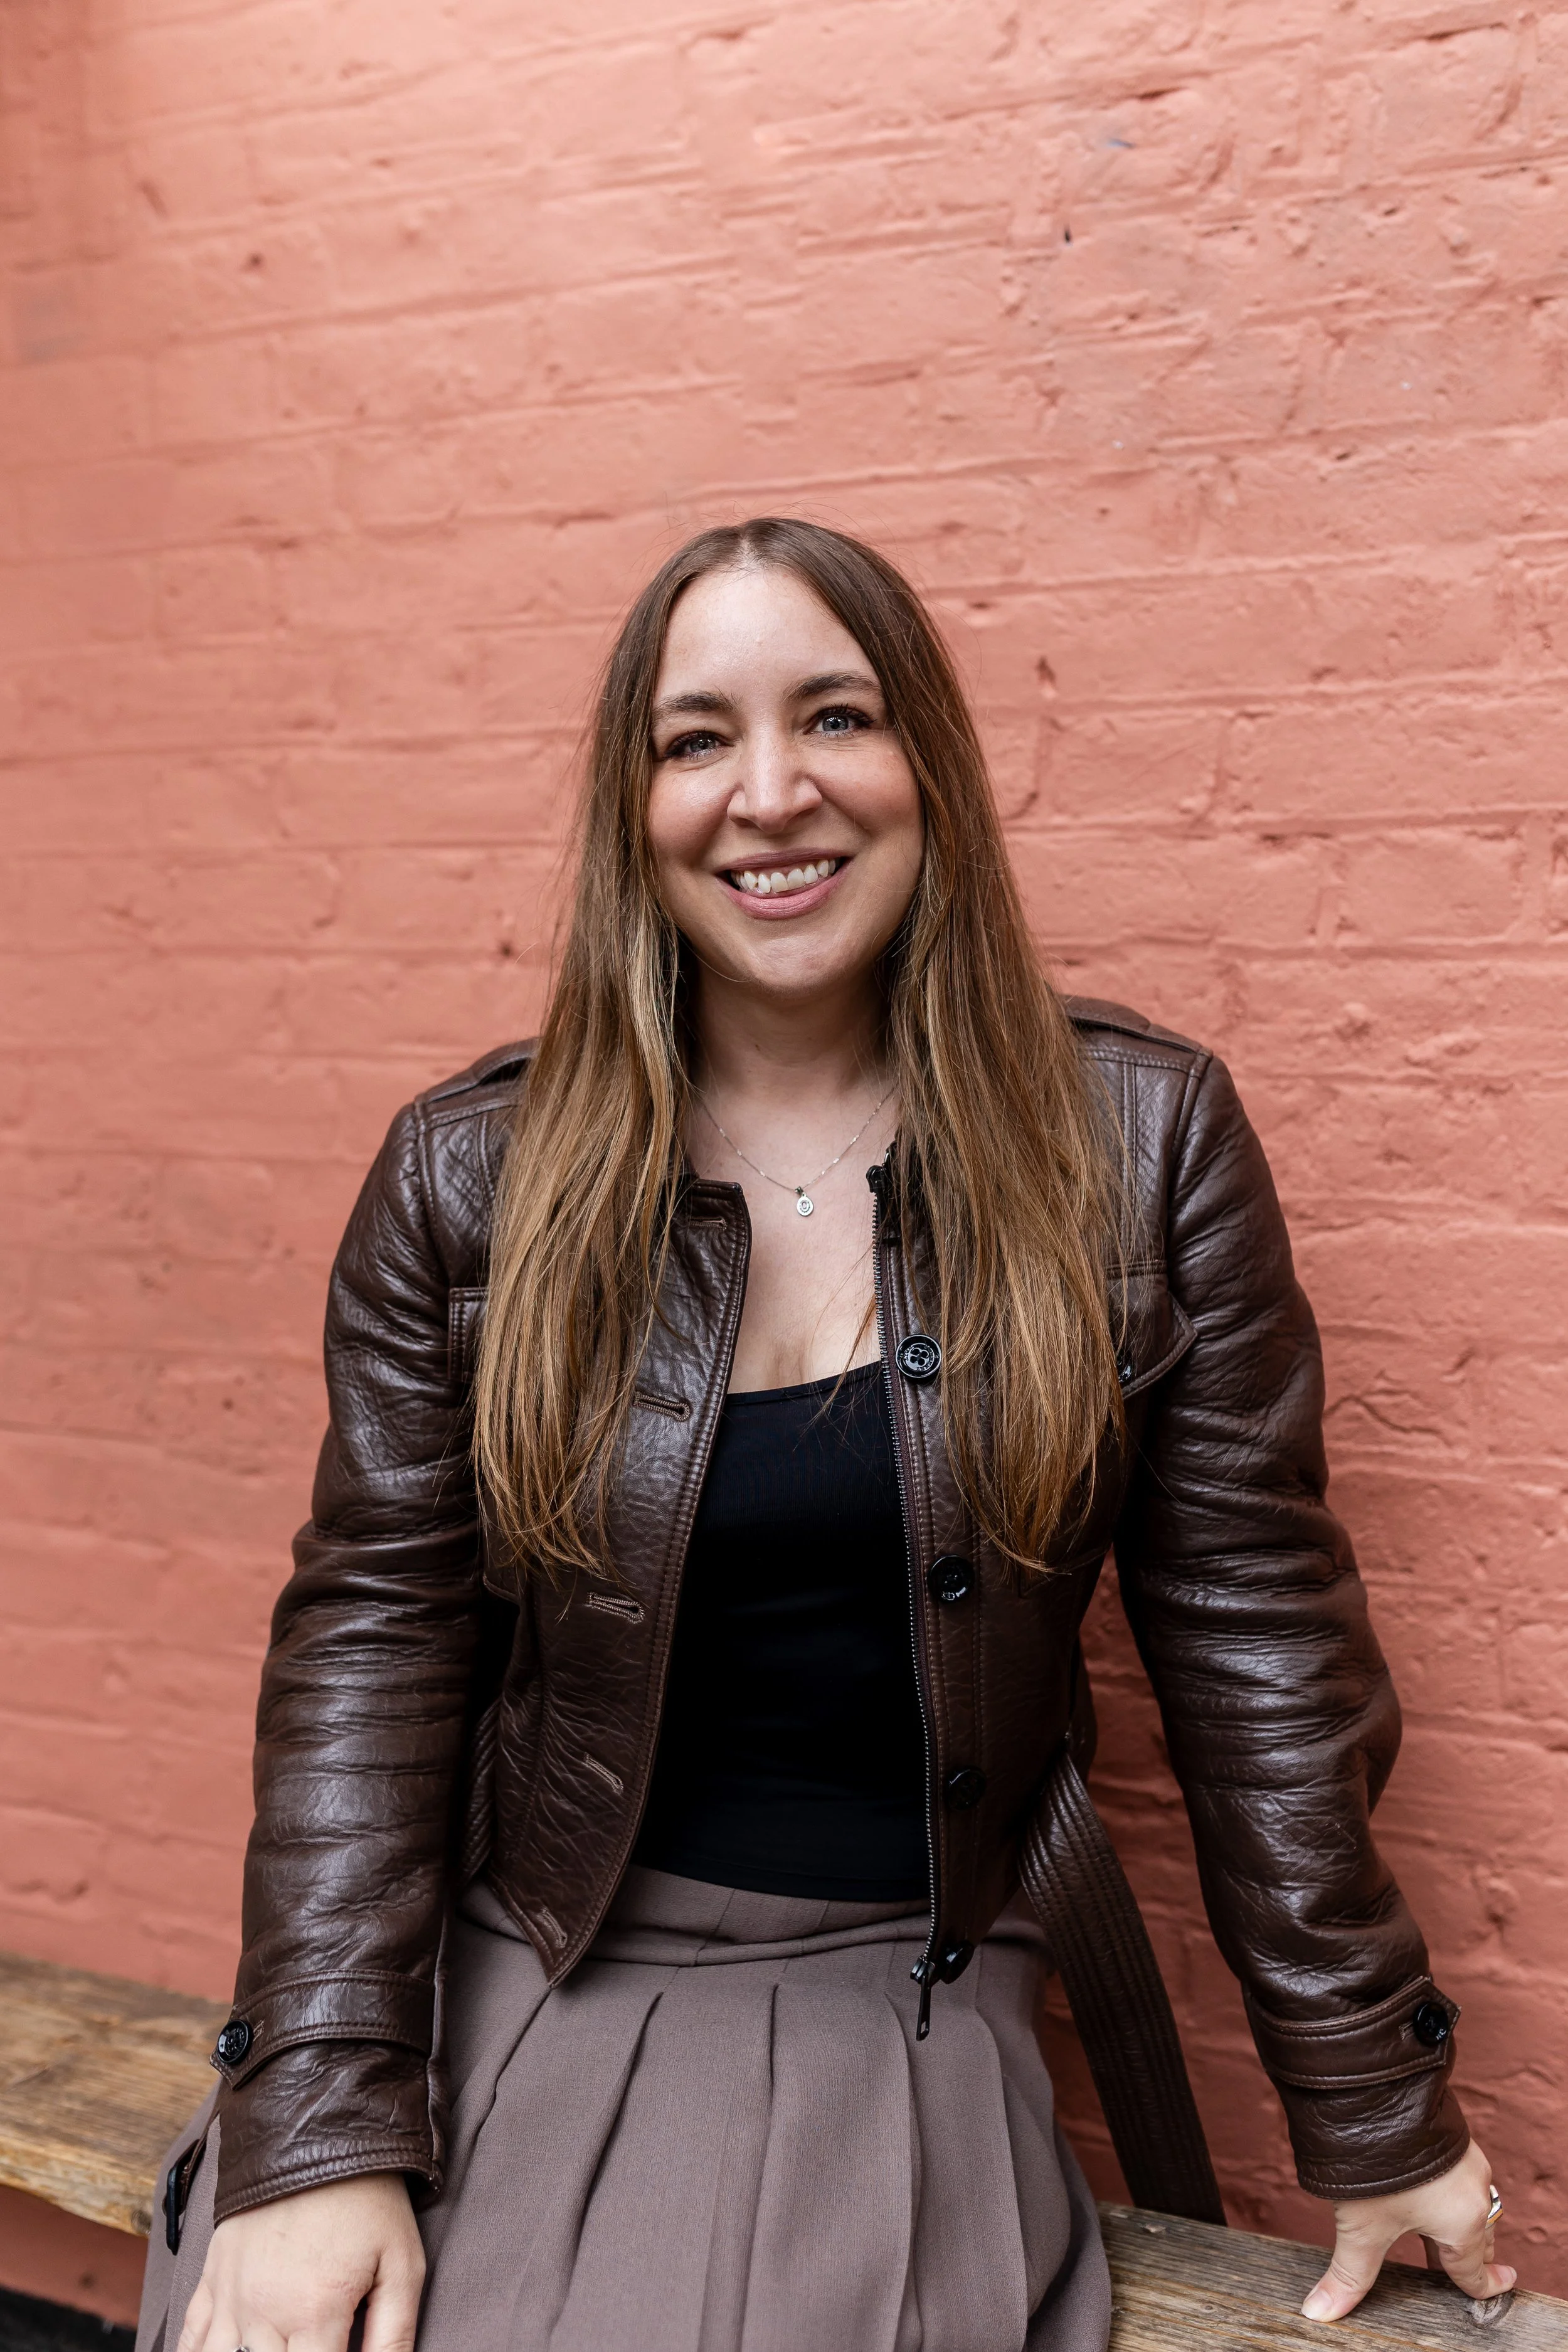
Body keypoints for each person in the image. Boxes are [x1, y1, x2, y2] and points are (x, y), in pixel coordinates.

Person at [139, 519, 1513, 2352]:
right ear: (634, 807)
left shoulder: (1138, 1141)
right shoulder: (466, 1178)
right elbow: (373, 1640)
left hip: (888, 1980)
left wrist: (1371, 2098)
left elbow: (1254, 1632)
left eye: (834, 717)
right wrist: (316, 2127)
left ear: (925, 761)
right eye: (695, 737)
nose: (767, 793)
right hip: (522, 1952)